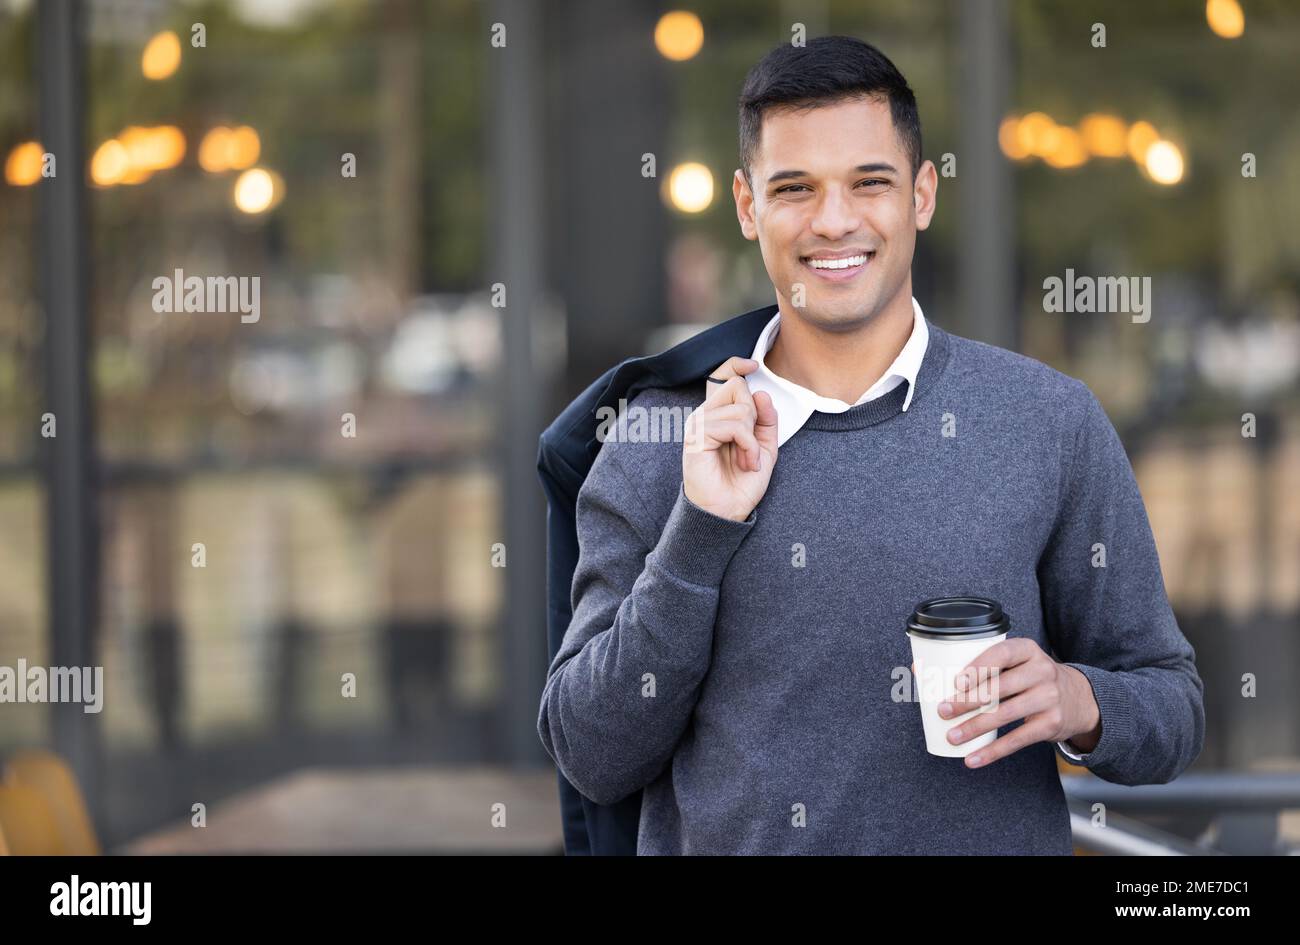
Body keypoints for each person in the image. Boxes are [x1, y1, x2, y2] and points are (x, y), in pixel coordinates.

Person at [537, 35, 1204, 854]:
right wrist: (701, 530)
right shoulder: (659, 438)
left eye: (870, 182)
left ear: (922, 194)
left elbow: (1173, 708)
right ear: (748, 207)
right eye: (795, 189)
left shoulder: (1048, 422)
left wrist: (1078, 700)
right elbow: (590, 754)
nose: (834, 220)